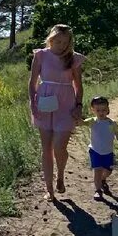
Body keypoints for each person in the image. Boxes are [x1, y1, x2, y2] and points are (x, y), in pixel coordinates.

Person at [29, 24, 84, 201]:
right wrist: (33, 104)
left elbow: (78, 85)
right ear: (51, 39)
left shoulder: (73, 58)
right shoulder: (40, 55)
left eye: (65, 42)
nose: (61, 45)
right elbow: (32, 83)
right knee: (46, 148)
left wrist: (78, 105)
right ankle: (49, 189)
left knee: (60, 146)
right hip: (44, 103)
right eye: (58, 41)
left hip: (66, 103)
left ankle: (60, 174)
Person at [87, 96, 118, 202]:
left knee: (108, 171)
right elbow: (81, 122)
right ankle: (98, 191)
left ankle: (103, 179)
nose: (101, 112)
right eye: (98, 110)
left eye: (104, 110)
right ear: (93, 110)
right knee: (97, 170)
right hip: (95, 151)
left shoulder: (112, 123)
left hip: (108, 152)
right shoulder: (92, 121)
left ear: (108, 109)